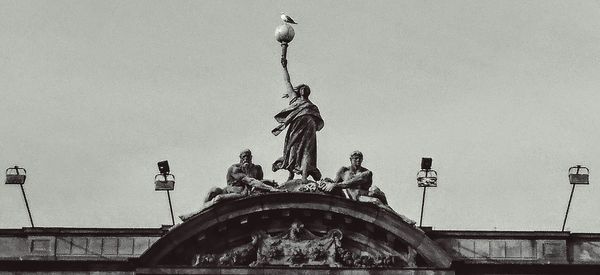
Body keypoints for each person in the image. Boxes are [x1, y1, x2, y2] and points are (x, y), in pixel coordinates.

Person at [272, 57, 324, 183]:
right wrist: (284, 67)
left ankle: (304, 176)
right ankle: (293, 174)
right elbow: (287, 81)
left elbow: (288, 83)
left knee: (305, 149)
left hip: (307, 124)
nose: (304, 89)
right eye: (302, 88)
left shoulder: (308, 104)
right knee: (293, 148)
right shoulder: (295, 99)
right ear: (300, 91)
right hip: (299, 124)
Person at [204, 149, 281, 204]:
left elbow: (258, 183)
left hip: (246, 192)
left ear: (251, 157)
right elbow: (251, 181)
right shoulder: (234, 169)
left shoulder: (257, 168)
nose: (246, 159)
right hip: (234, 192)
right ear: (240, 158)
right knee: (215, 192)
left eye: (248, 156)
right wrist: (271, 189)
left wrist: (270, 182)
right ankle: (205, 208)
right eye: (243, 157)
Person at [322, 151, 387, 205]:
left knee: (376, 196)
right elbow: (334, 184)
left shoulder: (367, 173)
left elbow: (351, 183)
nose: (358, 160)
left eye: (360, 158)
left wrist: (334, 185)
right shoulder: (343, 170)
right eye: (355, 158)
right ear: (351, 159)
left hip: (362, 197)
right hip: (350, 197)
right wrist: (328, 182)